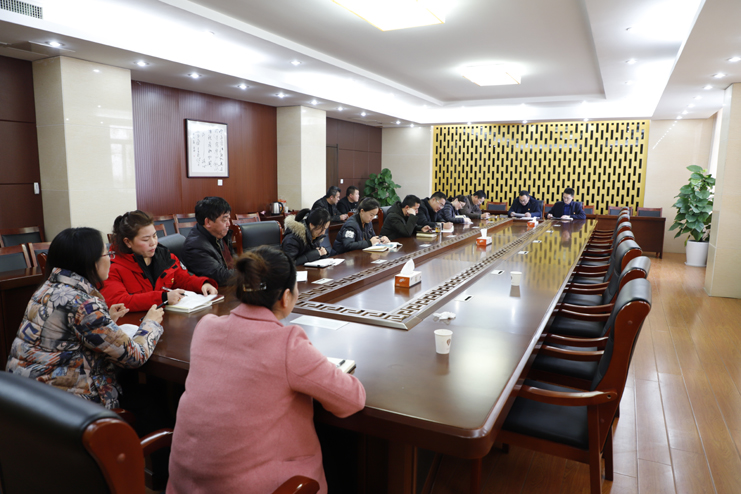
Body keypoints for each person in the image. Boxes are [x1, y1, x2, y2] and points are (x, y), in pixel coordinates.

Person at [166, 246, 365, 494]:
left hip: (183, 483)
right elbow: (352, 400)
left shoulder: (206, 326)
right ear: (285, 297)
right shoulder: (287, 343)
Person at [6, 227, 164, 409]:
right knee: (151, 400)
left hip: (26, 395)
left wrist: (106, 318)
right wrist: (150, 323)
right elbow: (134, 357)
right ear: (90, 261)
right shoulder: (84, 305)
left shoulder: (46, 289)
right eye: (107, 254)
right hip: (66, 404)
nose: (110, 259)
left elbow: (67, 332)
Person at [101, 210, 218, 311]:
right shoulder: (110, 266)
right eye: (146, 239)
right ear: (128, 242)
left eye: (154, 236)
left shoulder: (165, 256)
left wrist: (202, 284)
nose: (153, 243)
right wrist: (163, 298)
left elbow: (183, 278)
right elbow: (118, 302)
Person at [182, 196, 236, 286]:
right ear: (208, 222)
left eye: (228, 219)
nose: (228, 224)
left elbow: (233, 263)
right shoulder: (195, 246)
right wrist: (250, 271)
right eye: (224, 220)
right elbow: (220, 277)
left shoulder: (219, 235)